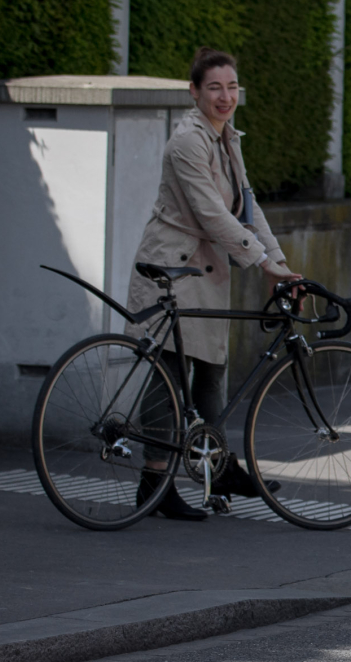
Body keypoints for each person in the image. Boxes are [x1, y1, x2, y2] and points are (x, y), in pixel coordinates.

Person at [127, 47, 301, 519]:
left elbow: (247, 205)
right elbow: (210, 212)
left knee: (212, 370)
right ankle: (155, 483)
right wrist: (262, 262)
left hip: (202, 267)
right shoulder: (188, 141)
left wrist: (278, 261)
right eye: (215, 88)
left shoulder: (227, 138)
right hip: (173, 266)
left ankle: (217, 465)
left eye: (232, 87)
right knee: (170, 376)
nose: (226, 96)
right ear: (194, 92)